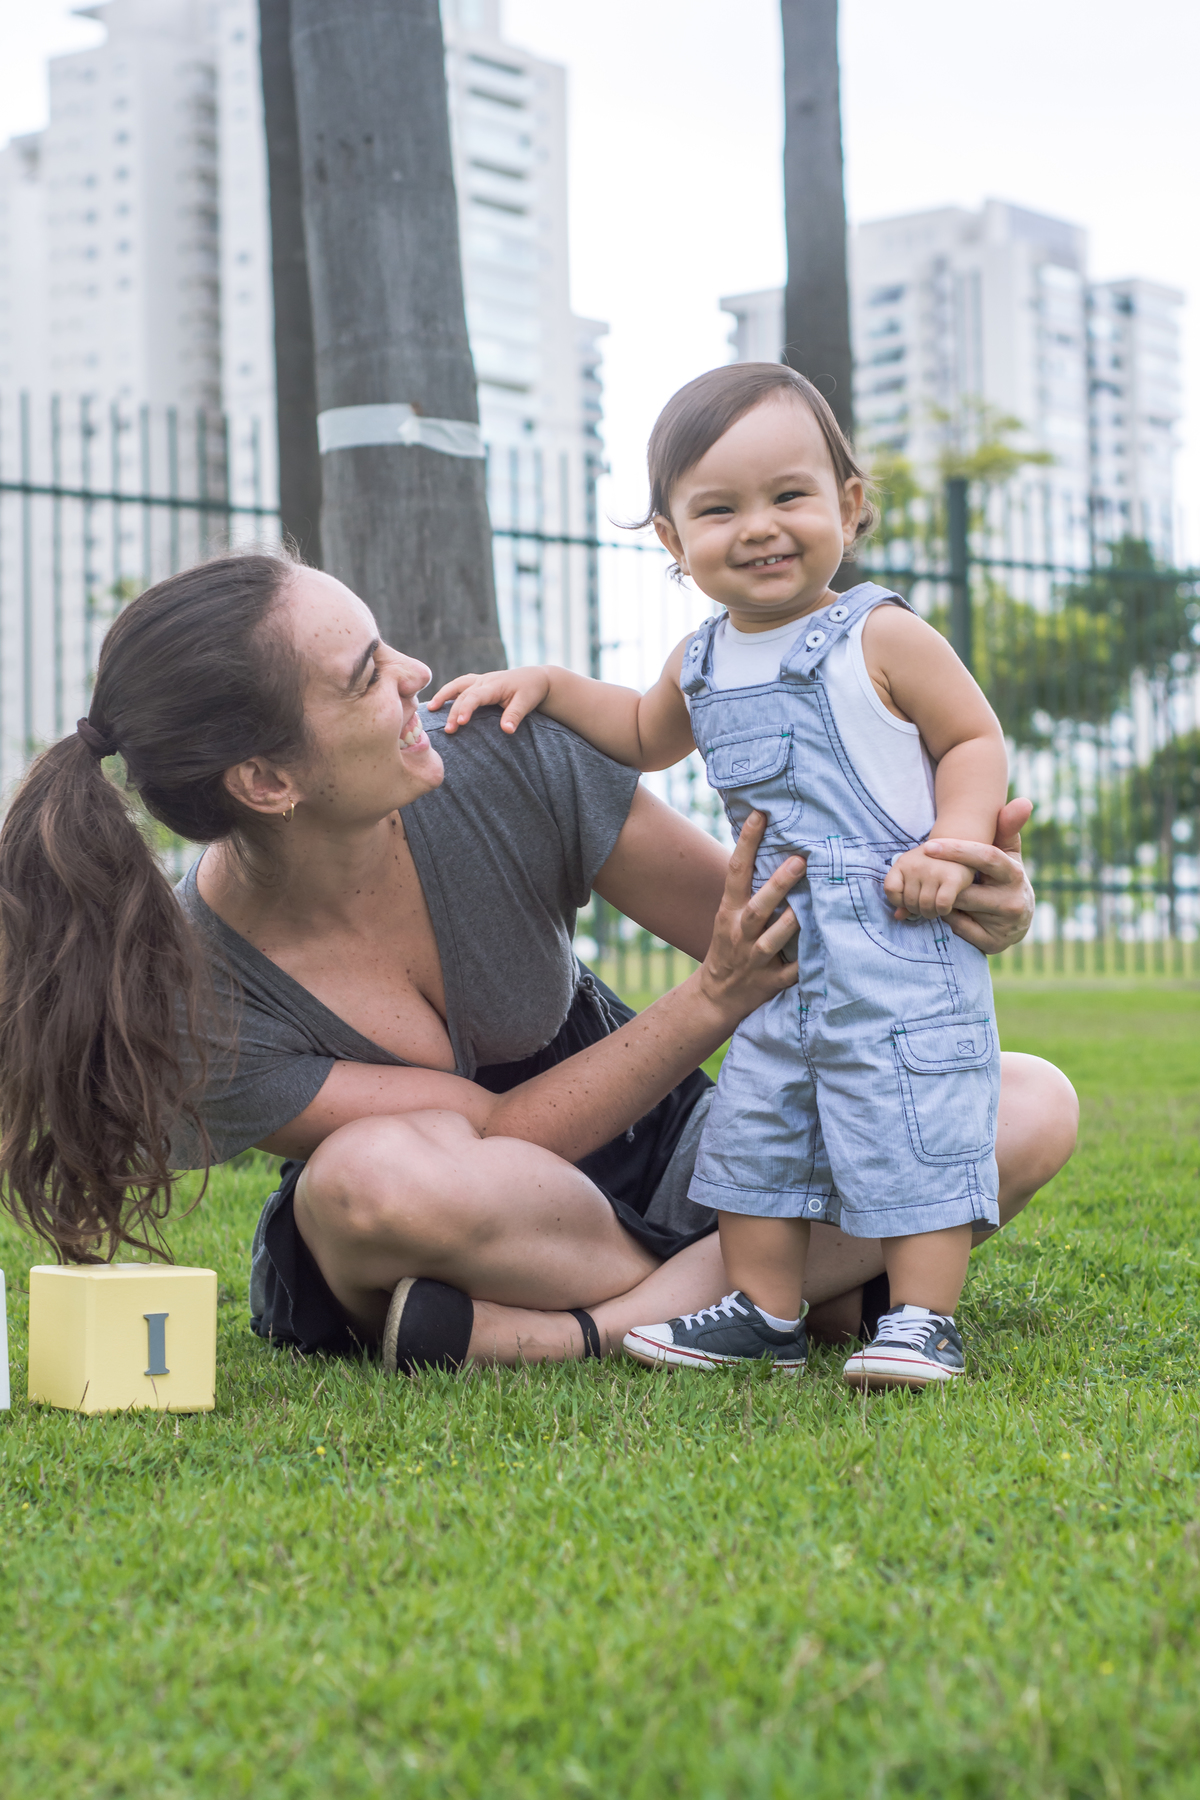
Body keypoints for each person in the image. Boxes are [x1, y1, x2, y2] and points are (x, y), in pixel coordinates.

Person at [0, 547, 1074, 1377]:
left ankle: (582, 1337)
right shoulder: (200, 992)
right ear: (267, 783)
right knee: (364, 1183)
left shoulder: (506, 751)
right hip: (476, 1219)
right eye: (366, 676)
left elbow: (758, 925)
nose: (417, 677)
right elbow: (499, 1139)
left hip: (668, 1156)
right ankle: (782, 1294)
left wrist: (957, 901)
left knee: (1027, 1102)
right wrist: (707, 1006)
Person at [432, 363, 1030, 1389]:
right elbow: (637, 735)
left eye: (789, 497)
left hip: (896, 925)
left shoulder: (880, 634)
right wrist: (550, 685)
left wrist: (953, 843)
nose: (759, 528)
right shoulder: (700, 661)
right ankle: (764, 1311)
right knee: (762, 1127)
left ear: (847, 505)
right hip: (780, 943)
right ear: (673, 542)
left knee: (909, 1121)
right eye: (719, 509)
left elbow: (972, 736)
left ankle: (924, 1319)